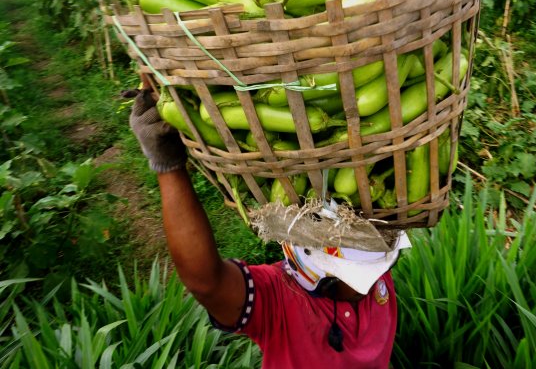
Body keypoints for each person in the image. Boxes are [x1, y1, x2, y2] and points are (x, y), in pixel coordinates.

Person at [128, 87, 410, 368]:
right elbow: (206, 282)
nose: (376, 280)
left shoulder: (378, 273)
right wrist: (168, 167)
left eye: (381, 268)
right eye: (363, 276)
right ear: (318, 275)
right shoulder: (279, 302)